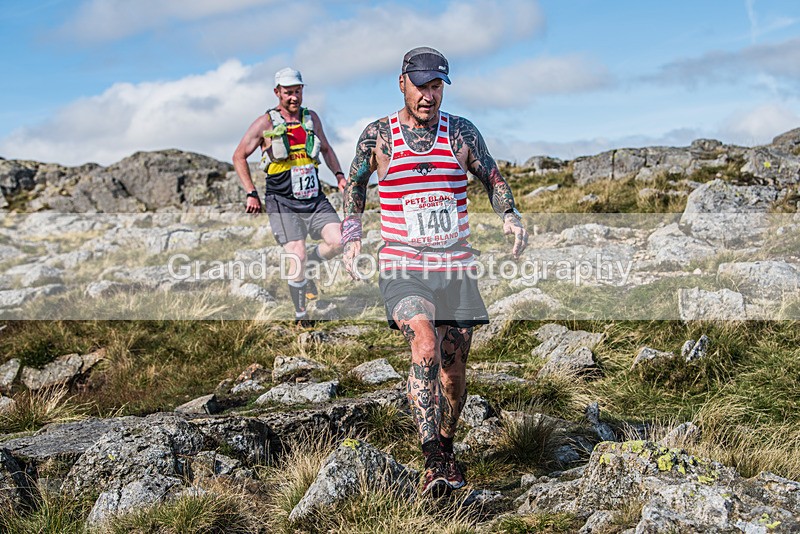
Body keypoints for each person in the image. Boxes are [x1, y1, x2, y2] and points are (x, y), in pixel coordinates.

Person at [341, 47, 528, 496]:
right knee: (425, 346)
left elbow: (493, 177)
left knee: (454, 373)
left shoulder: (461, 132)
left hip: (456, 267)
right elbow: (355, 183)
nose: (428, 95)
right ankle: (431, 458)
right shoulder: (378, 136)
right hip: (403, 265)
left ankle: (446, 445)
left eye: (436, 86)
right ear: (401, 82)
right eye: (421, 85)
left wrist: (510, 214)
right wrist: (352, 232)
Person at [233, 67, 346, 326]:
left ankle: (309, 267)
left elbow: (326, 149)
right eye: (288, 93)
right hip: (282, 200)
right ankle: (301, 316)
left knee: (340, 241)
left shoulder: (311, 118)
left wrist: (339, 175)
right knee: (297, 253)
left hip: (314, 197)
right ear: (277, 93)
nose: (294, 97)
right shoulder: (265, 123)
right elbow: (239, 155)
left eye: (297, 91)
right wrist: (251, 192)